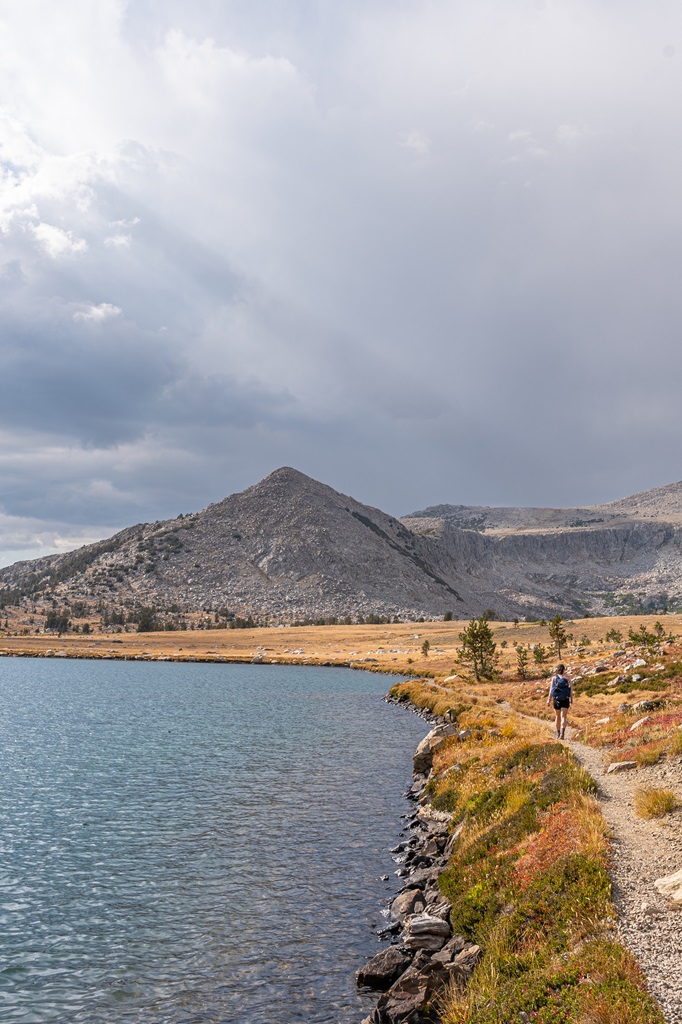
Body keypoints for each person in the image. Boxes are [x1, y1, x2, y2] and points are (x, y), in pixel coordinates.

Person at [546, 663, 572, 739]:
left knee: (557, 716)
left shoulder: (554, 678)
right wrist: (571, 700)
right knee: (563, 716)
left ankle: (558, 733)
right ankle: (563, 733)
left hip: (556, 700)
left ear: (557, 669)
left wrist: (548, 700)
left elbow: (551, 690)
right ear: (564, 669)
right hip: (565, 699)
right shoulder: (567, 678)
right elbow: (570, 690)